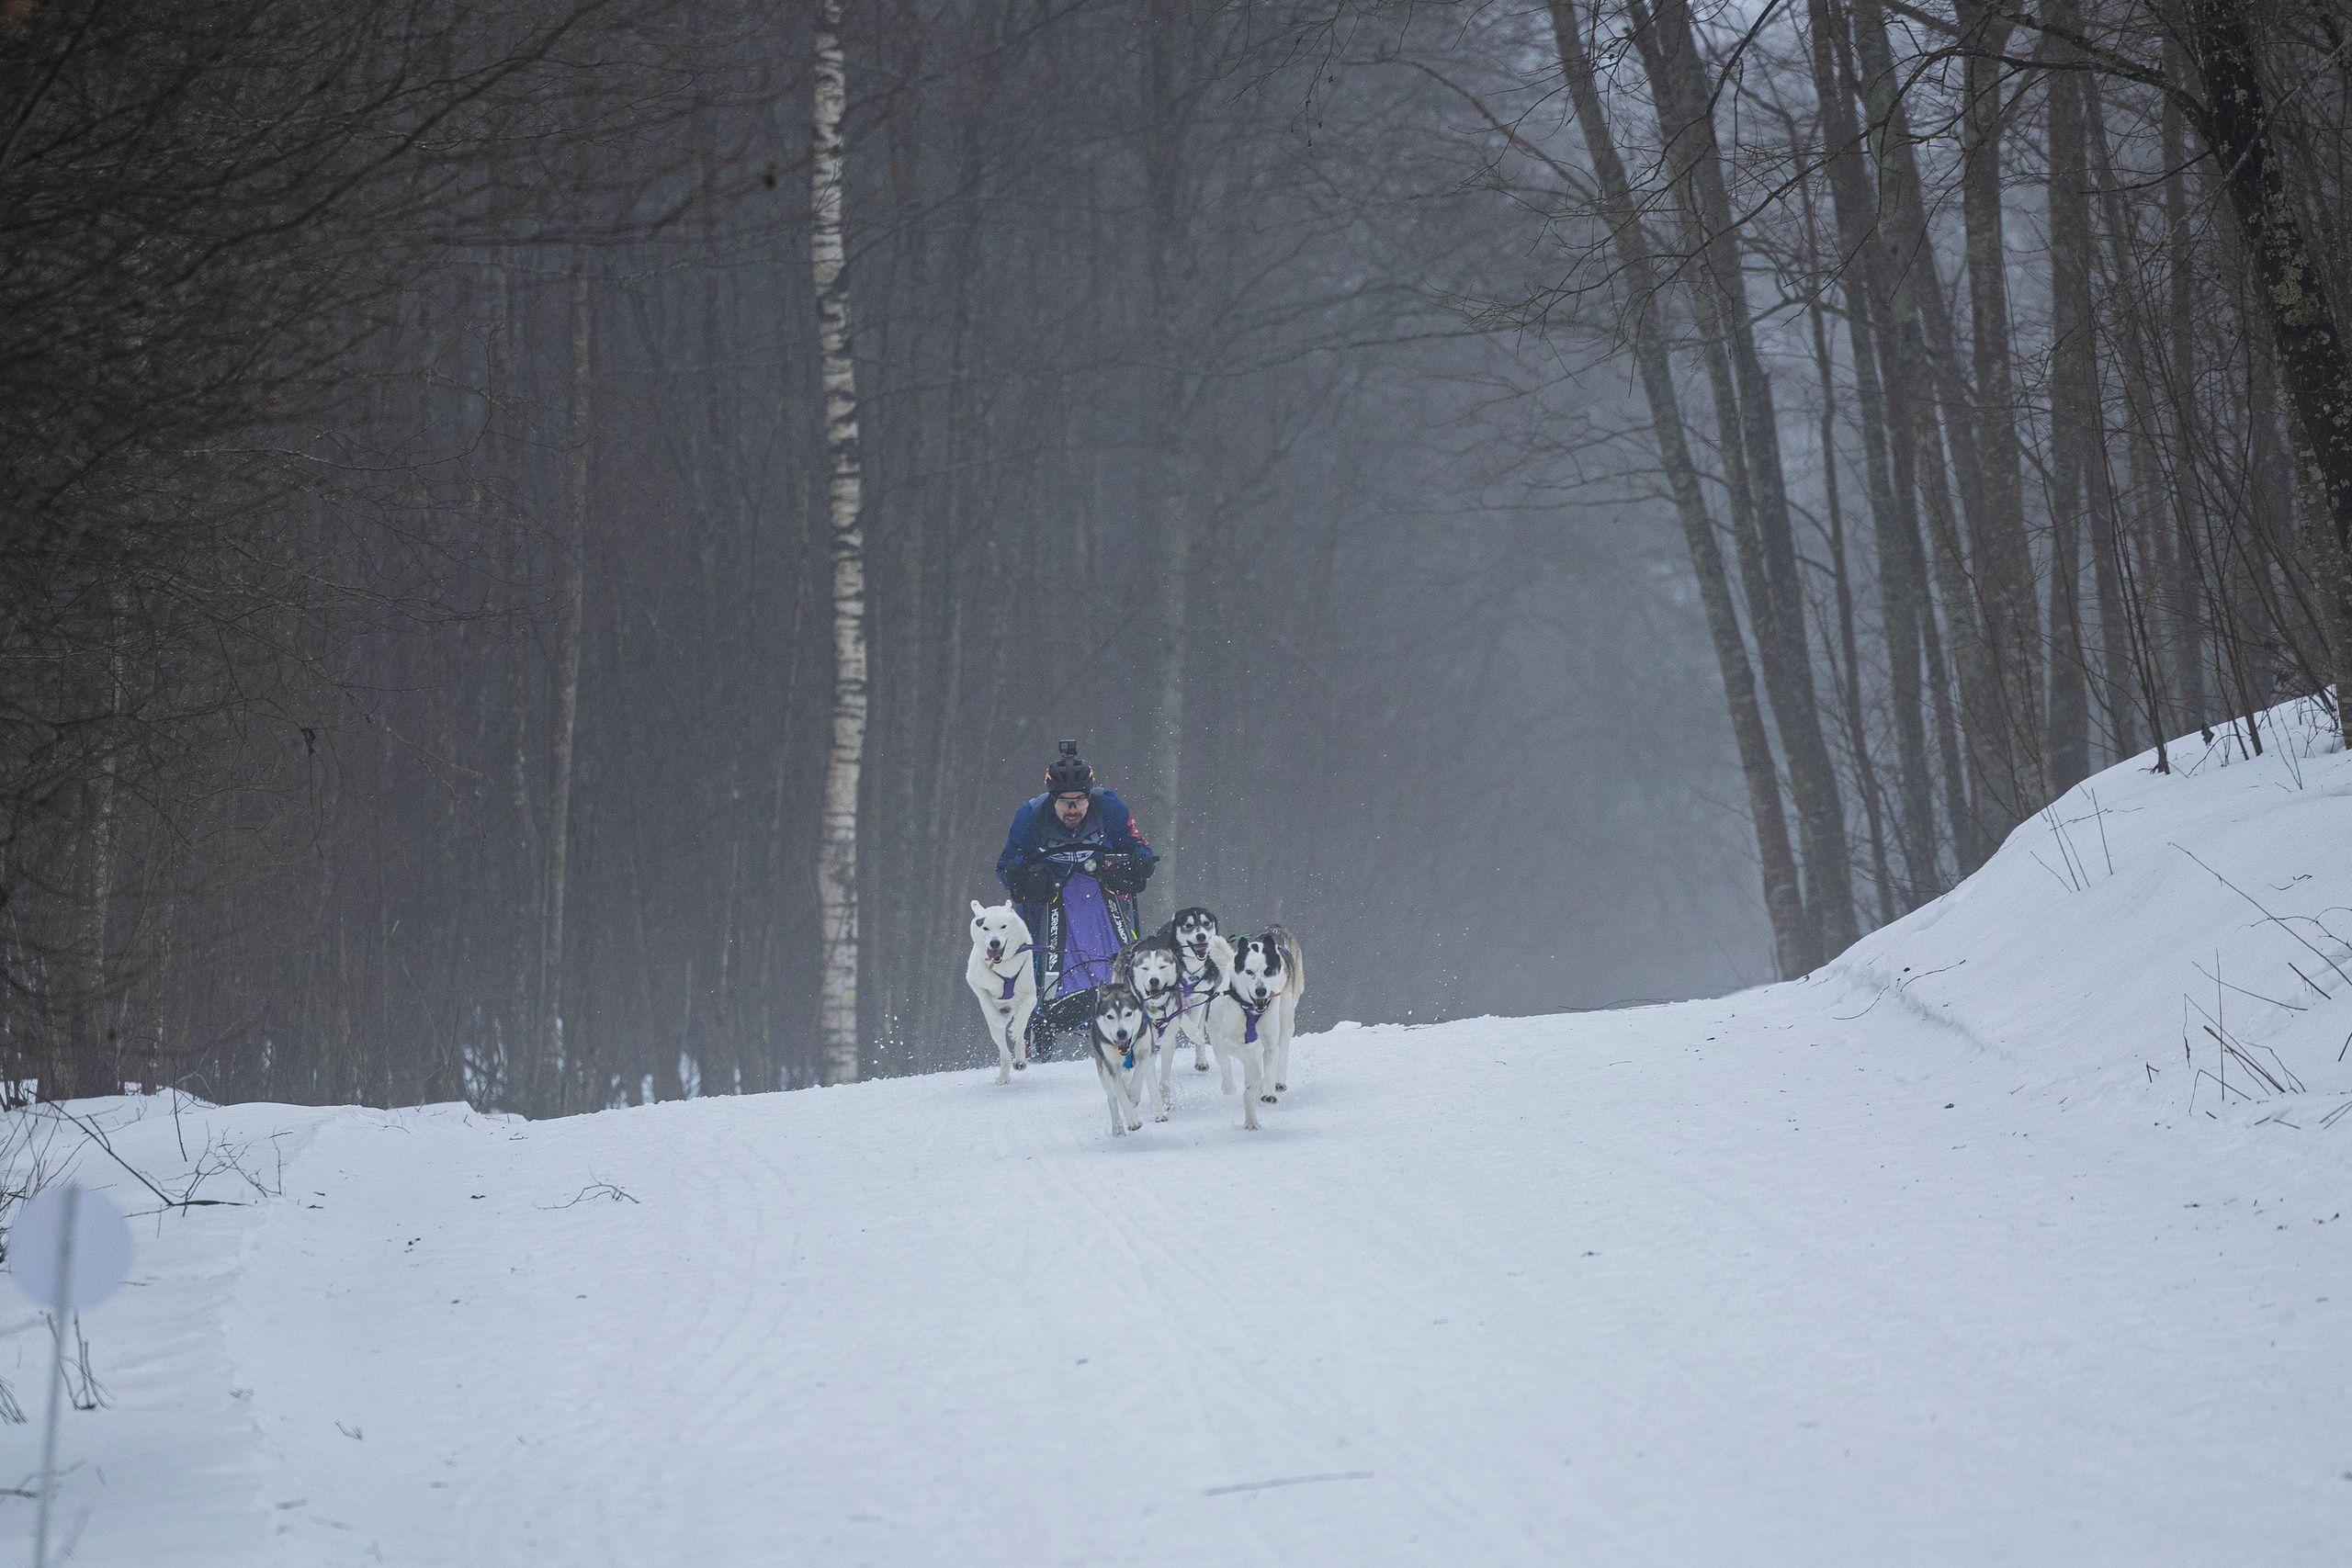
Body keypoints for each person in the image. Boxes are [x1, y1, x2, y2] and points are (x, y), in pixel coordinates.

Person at [996, 740, 1156, 1048]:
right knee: (1041, 959)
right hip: (1051, 910)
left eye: (1080, 800)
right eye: (1065, 802)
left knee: (1124, 954)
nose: (1073, 809)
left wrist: (1139, 863)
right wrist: (1021, 878)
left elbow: (1136, 844)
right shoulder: (1030, 816)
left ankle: (1135, 1012)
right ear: (1051, 799)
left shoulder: (1108, 807)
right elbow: (1004, 867)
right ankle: (1040, 1020)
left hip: (1102, 900)